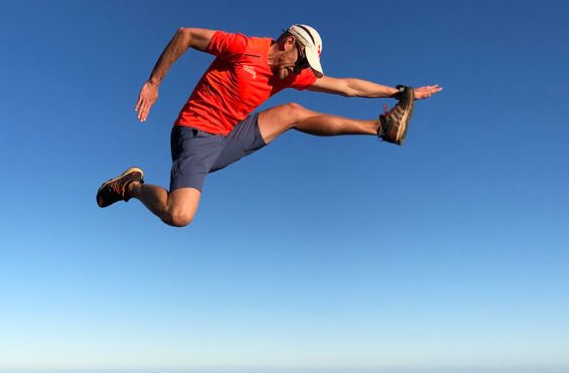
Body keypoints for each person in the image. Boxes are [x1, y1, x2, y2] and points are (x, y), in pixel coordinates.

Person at [95, 25, 441, 227]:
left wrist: (399, 92)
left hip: (230, 134)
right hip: (196, 133)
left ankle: (379, 127)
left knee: (291, 112)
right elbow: (185, 35)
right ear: (289, 42)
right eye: (301, 62)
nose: (300, 71)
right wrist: (154, 82)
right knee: (179, 214)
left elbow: (346, 86)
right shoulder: (244, 48)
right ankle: (130, 187)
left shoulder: (289, 73)